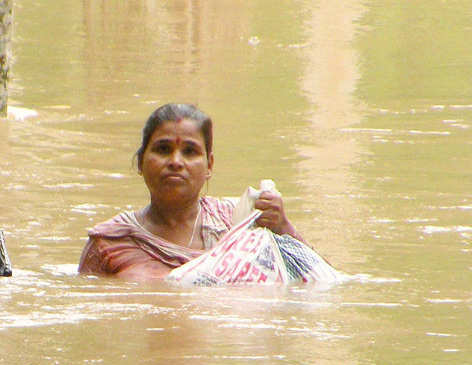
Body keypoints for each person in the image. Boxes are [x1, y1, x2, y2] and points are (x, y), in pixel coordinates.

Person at [78, 103, 305, 280]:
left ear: (209, 166)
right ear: (140, 162)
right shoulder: (109, 242)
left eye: (190, 151)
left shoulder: (240, 223)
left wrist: (283, 227)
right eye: (163, 149)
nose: (176, 161)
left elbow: (316, 282)